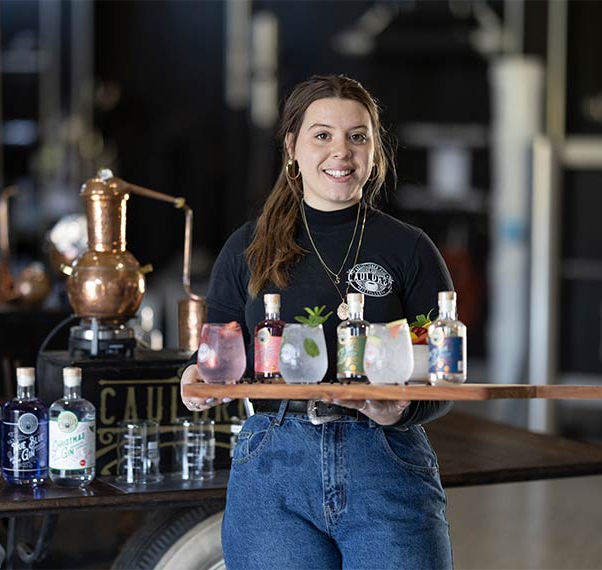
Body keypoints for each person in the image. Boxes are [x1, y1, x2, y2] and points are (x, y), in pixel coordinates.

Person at [180, 74, 454, 570]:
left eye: (357, 136)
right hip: (274, 466)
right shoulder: (247, 249)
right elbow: (215, 352)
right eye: (322, 135)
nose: (341, 152)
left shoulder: (410, 249)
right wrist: (194, 378)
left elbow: (444, 371)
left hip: (386, 459)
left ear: (374, 151)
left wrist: (398, 412)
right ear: (292, 147)